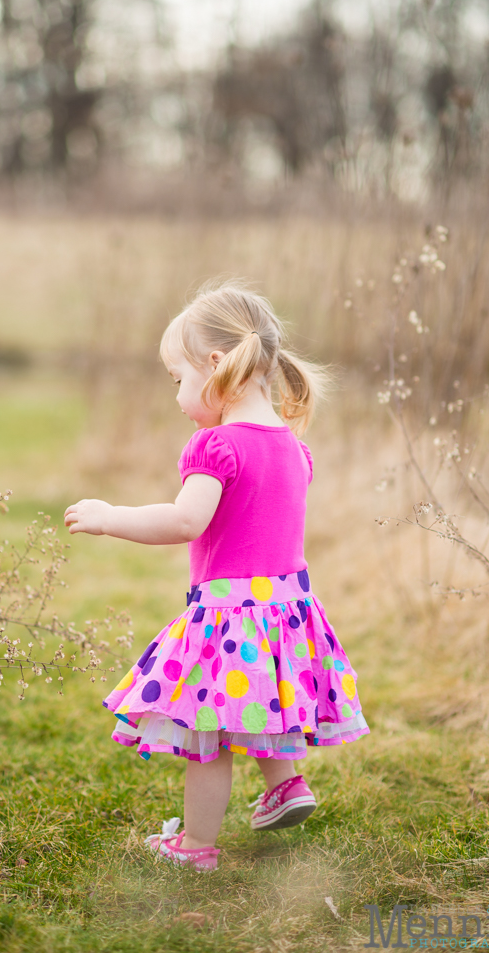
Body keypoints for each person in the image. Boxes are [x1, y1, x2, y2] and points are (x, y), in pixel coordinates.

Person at [64, 280, 369, 872]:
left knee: (208, 732)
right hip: (286, 612)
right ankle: (286, 785)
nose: (178, 396)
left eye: (178, 380)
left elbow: (185, 519)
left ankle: (197, 845)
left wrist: (111, 518)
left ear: (215, 365)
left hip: (228, 617)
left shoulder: (217, 446)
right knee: (262, 702)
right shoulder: (292, 447)